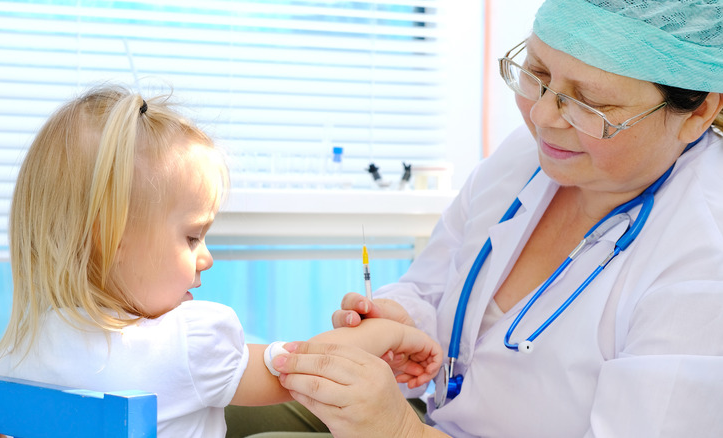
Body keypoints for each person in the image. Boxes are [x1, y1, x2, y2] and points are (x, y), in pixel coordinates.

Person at [229, 0, 723, 437]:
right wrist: (403, 320)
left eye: (589, 103)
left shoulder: (704, 256)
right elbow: (431, 284)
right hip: (431, 415)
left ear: (699, 111)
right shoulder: (532, 156)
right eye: (537, 75)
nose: (544, 116)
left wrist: (399, 432)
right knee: (215, 409)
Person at [0, 85, 443, 437]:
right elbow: (311, 364)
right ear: (108, 238)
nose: (207, 258)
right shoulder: (189, 344)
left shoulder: (16, 356)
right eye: (192, 237)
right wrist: (397, 332)